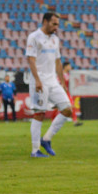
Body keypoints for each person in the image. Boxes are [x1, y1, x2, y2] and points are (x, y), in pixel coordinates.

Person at [26, 12, 74, 158]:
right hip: (39, 81)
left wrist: (63, 83)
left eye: (58, 24)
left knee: (67, 109)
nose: (56, 27)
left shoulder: (55, 39)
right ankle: (35, 150)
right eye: (54, 24)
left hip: (53, 81)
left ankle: (46, 139)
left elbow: (58, 61)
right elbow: (31, 60)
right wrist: (37, 80)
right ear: (45, 21)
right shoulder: (34, 37)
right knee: (39, 114)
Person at [61, 62, 83, 126]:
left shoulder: (68, 74)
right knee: (60, 108)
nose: (70, 67)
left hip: (67, 92)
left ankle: (75, 121)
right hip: (62, 92)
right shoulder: (61, 74)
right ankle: (53, 119)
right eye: (69, 66)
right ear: (65, 67)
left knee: (72, 106)